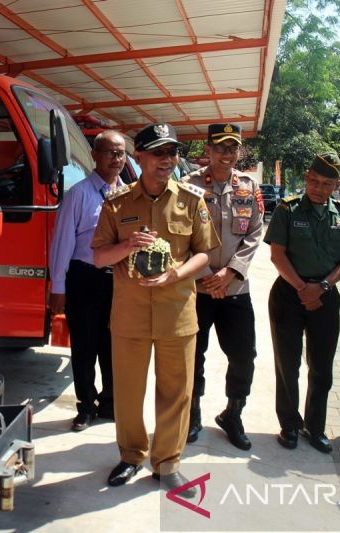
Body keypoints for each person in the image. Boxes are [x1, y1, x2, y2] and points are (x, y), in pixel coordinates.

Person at [91, 123, 219, 490]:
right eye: (159, 152)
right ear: (139, 157)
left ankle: (167, 463)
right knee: (128, 393)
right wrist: (127, 246)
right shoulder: (117, 202)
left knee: (176, 393)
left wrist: (175, 274)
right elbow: (99, 257)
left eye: (172, 152)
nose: (167, 160)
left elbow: (205, 254)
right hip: (129, 315)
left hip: (177, 314)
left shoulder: (192, 200)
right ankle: (131, 455)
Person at [264, 152, 340, 454]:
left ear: (336, 185)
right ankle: (289, 425)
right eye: (314, 181)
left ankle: (315, 427)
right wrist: (303, 289)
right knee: (287, 365)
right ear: (307, 177)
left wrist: (321, 287)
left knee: (321, 368)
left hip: (325, 295)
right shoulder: (288, 209)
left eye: (327, 184)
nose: (319, 188)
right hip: (288, 294)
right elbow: (277, 255)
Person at [182, 124, 263, 450]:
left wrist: (230, 273)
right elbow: (181, 235)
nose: (227, 154)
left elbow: (254, 233)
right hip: (198, 290)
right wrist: (206, 275)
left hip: (235, 289)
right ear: (208, 150)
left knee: (244, 355)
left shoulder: (248, 186)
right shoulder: (188, 185)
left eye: (233, 148)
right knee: (193, 354)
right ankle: (192, 414)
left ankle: (233, 413)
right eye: (220, 147)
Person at [48, 130, 127, 431]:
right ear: (94, 156)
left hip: (117, 280)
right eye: (110, 152)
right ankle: (85, 406)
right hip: (84, 278)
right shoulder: (79, 194)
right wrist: (58, 286)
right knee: (84, 348)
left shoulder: (128, 194)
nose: (116, 158)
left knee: (113, 346)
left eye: (120, 153)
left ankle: (110, 403)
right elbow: (62, 242)